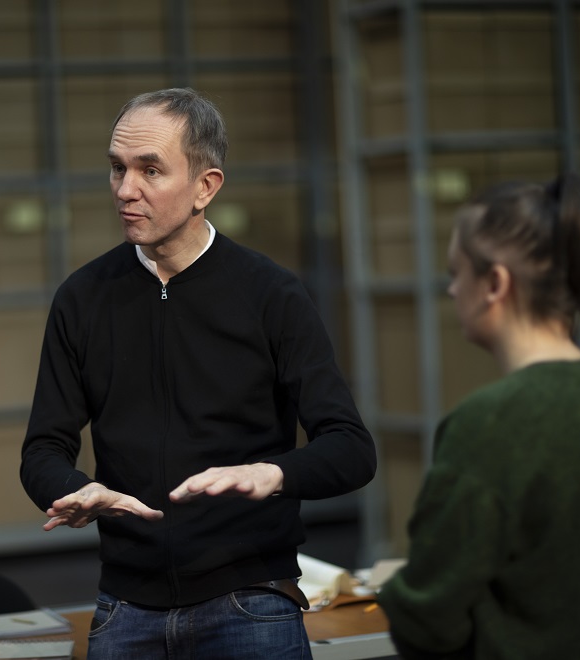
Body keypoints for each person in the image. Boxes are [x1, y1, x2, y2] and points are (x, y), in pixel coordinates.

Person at [20, 87, 376, 658]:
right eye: (117, 168)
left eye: (149, 170)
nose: (125, 189)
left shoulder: (271, 294)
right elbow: (42, 450)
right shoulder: (83, 298)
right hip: (124, 606)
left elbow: (352, 449)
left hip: (250, 603)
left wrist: (273, 473)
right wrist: (77, 490)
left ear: (205, 187)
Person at [377, 173, 580, 659]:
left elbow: (426, 614)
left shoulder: (490, 422)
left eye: (456, 273)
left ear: (495, 284)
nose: (451, 291)